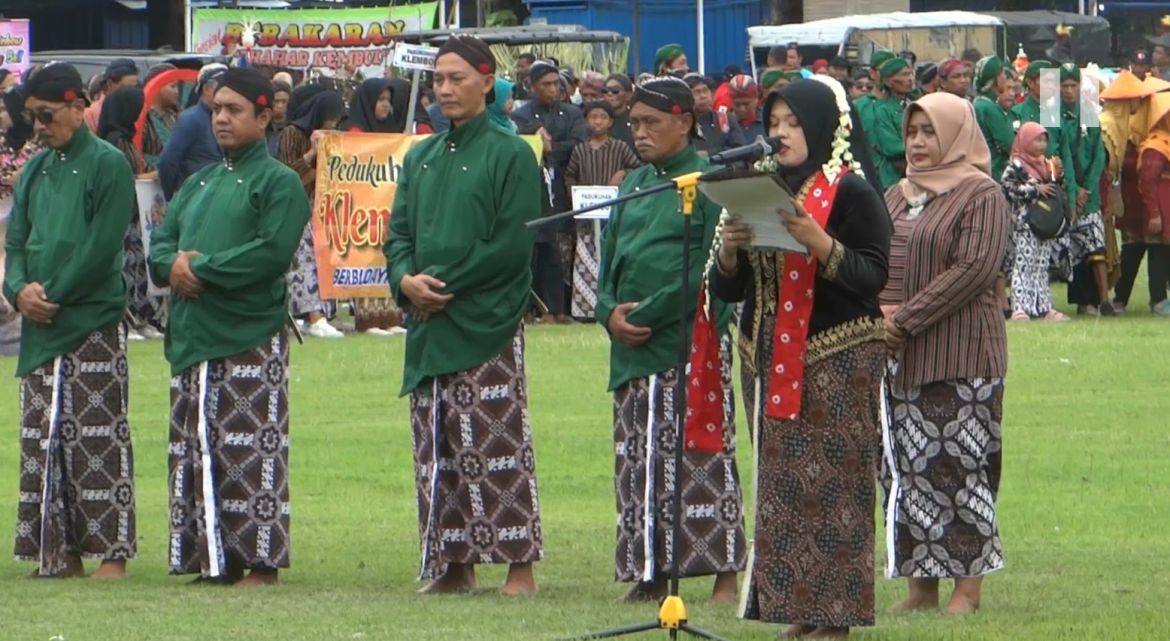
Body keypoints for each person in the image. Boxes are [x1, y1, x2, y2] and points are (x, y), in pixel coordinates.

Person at [716, 75, 890, 639]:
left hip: (835, 361)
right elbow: (731, 291)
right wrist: (729, 252)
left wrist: (820, 243)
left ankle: (834, 617)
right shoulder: (757, 187)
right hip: (766, 360)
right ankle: (798, 612)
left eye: (793, 123)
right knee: (784, 488)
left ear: (819, 127)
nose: (781, 133)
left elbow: (872, 277)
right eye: (773, 124)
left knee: (834, 488)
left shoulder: (852, 191)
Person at [384, 34, 544, 596]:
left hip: (485, 320)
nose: (445, 89)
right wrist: (405, 280)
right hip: (428, 323)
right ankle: (455, 565)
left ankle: (518, 566)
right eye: (438, 79)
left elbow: (512, 245)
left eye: (456, 78)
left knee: (495, 444)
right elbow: (397, 232)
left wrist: (440, 287)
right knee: (438, 446)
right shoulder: (423, 155)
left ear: (486, 81)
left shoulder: (511, 153)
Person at [149, 67, 308, 586]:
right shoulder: (198, 182)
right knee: (194, 451)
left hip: (248, 337)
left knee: (249, 452)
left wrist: (197, 269)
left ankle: (259, 564)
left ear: (265, 117)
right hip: (193, 338)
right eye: (216, 108)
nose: (220, 118)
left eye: (234, 110)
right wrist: (172, 266)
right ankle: (210, 558)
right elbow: (160, 246)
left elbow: (269, 253)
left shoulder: (278, 182)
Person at [593, 76, 745, 604]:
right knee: (639, 463)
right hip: (631, 349)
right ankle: (650, 569)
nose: (639, 132)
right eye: (633, 123)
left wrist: (652, 314)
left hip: (688, 345)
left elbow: (713, 268)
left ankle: (724, 572)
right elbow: (607, 262)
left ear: (685, 122)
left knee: (701, 458)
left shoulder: (710, 181)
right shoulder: (633, 185)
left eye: (651, 123)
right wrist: (608, 312)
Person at [4, 63, 138, 579]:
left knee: (98, 437)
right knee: (43, 436)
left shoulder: (109, 165)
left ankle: (112, 555)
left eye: (46, 114)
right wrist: (17, 290)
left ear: (78, 108)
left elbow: (101, 248)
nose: (37, 125)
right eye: (30, 116)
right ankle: (62, 552)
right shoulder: (35, 170)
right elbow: (15, 246)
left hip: (90, 320)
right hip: (39, 325)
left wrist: (48, 295)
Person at [880, 92, 1008, 615]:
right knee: (907, 470)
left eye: (929, 132)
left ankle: (968, 590)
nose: (917, 143)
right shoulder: (895, 195)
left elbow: (973, 270)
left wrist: (904, 319)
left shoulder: (982, 194)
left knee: (960, 466)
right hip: (898, 357)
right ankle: (921, 588)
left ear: (955, 135)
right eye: (912, 133)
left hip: (960, 355)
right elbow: (873, 257)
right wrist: (876, 314)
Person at [512, 59, 587, 324]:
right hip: (531, 186)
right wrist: (537, 142)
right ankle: (530, 308)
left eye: (556, 84)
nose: (553, 89)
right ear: (531, 87)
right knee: (533, 245)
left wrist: (549, 147)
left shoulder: (571, 113)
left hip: (561, 186)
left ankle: (557, 308)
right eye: (546, 85)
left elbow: (578, 144)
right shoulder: (520, 115)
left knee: (556, 248)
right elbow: (522, 144)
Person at [99, 87, 167, 340]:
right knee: (127, 266)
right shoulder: (115, 139)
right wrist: (146, 177)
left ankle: (142, 318)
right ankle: (128, 319)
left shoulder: (126, 137)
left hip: (134, 211)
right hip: (122, 213)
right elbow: (119, 177)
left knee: (138, 265)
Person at [276, 89, 346, 338]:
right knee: (303, 263)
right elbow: (285, 175)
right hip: (296, 208)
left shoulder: (331, 136)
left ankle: (322, 314)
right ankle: (313, 315)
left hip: (321, 210)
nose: (332, 124)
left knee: (322, 261)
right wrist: (312, 154)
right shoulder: (292, 133)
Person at [342, 78, 407, 336]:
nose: (385, 106)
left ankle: (389, 318)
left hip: (386, 206)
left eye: (388, 101)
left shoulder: (389, 129)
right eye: (380, 100)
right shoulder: (354, 131)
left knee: (386, 257)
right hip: (361, 208)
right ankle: (368, 320)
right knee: (365, 258)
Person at [565, 101, 640, 322]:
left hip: (613, 216)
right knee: (586, 258)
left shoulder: (619, 147)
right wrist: (576, 196)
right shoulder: (580, 150)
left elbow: (637, 168)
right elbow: (570, 175)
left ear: (611, 122)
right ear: (586, 121)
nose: (597, 121)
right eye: (593, 117)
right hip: (586, 217)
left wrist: (623, 173)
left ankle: (611, 305)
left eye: (602, 117)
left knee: (611, 256)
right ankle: (585, 310)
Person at [1054, 63, 1111, 315]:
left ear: (1080, 87)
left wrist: (1086, 187)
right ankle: (1082, 302)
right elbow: (1058, 152)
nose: (1068, 91)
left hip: (1090, 193)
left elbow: (1099, 153)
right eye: (1063, 86)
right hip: (1067, 190)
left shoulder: (1088, 110)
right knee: (1074, 248)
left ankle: (1105, 300)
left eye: (1073, 85)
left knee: (1096, 245)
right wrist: (1073, 189)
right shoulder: (1051, 113)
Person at [1001, 122, 1070, 321]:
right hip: (1026, 223)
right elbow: (1007, 188)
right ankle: (1020, 308)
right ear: (1025, 140)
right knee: (1023, 264)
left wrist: (1059, 172)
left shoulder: (1046, 164)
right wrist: (1034, 190)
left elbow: (1057, 187)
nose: (1041, 145)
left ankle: (1043, 307)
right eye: (1037, 140)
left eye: (1044, 140)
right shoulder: (1016, 165)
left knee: (1041, 265)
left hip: (1046, 223)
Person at [159, 63, 227, 200]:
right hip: (195, 198)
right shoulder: (191, 119)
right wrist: (172, 197)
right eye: (223, 88)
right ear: (207, 89)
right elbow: (167, 161)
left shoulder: (221, 117)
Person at [1135, 90, 1170, 315]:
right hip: (1160, 208)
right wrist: (1155, 213)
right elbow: (1147, 182)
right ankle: (1158, 300)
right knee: (1158, 253)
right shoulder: (1155, 146)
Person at [871, 56, 915, 190]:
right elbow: (891, 147)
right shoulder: (882, 110)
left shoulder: (915, 104)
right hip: (893, 178)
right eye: (904, 75)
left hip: (917, 173)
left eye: (910, 74)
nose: (910, 79)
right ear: (889, 82)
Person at [685, 72, 745, 157]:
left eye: (705, 90)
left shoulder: (725, 119)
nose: (703, 96)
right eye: (697, 92)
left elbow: (740, 150)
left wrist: (709, 154)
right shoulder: (683, 125)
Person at [140, 63, 181, 170]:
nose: (177, 91)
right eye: (172, 86)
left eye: (177, 86)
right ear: (156, 85)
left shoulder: (173, 115)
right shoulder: (143, 117)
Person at [83, 58, 139, 132]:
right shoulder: (91, 115)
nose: (131, 93)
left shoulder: (140, 111)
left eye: (135, 88)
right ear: (110, 84)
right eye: (126, 88)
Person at [603, 73, 635, 149]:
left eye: (615, 90)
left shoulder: (635, 120)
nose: (609, 94)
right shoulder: (599, 120)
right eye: (606, 90)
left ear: (628, 95)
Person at [728, 75, 764, 141]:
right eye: (737, 104)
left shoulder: (768, 120)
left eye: (746, 104)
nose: (742, 109)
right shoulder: (725, 126)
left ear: (756, 100)